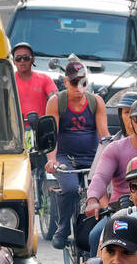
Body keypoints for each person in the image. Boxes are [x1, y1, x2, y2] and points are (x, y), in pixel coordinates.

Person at [45, 57, 109, 249]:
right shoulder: (56, 102)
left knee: (103, 192)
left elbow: (104, 135)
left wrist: (112, 156)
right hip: (66, 158)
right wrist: (52, 160)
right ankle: (62, 228)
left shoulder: (96, 101)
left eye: (83, 82)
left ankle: (106, 229)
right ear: (65, 82)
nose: (79, 87)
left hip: (92, 158)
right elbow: (51, 136)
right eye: (74, 82)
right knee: (71, 189)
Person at [12, 42, 57, 121]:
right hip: (15, 130)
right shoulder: (9, 81)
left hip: (40, 128)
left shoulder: (45, 79)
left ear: (33, 59)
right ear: (14, 61)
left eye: (26, 58)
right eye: (18, 58)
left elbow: (56, 100)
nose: (22, 61)